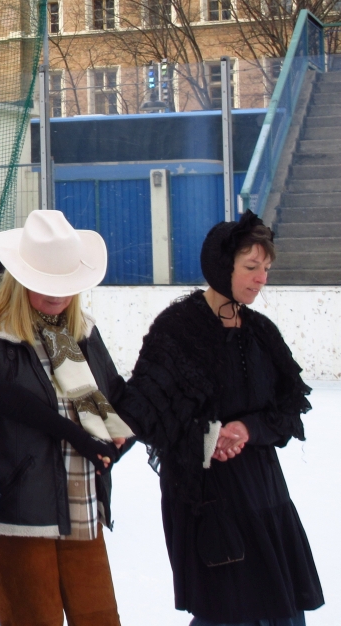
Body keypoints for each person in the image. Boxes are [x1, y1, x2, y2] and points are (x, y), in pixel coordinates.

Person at [115, 212, 323, 626]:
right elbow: (148, 409)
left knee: (279, 609)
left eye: (266, 269)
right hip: (207, 496)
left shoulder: (260, 332)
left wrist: (248, 429)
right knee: (227, 610)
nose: (261, 279)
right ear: (222, 265)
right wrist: (208, 437)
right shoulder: (178, 329)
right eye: (251, 267)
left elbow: (290, 405)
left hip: (262, 489)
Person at [0, 209, 134, 626]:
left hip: (82, 506)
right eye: (45, 283)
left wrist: (122, 433)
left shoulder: (82, 332)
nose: (58, 295)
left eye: (66, 284)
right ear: (19, 281)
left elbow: (115, 397)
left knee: (100, 619)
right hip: (16, 513)